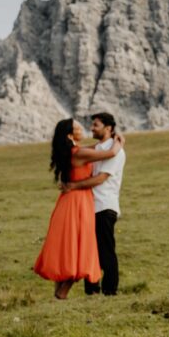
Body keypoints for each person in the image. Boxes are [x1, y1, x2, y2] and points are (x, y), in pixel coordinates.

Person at [33, 118, 124, 299]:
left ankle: (59, 294)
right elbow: (111, 153)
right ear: (70, 134)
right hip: (79, 201)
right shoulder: (79, 153)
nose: (82, 129)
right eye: (77, 128)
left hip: (68, 201)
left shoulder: (73, 152)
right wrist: (118, 140)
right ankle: (63, 292)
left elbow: (96, 147)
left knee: (68, 245)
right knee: (80, 246)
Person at [62, 112, 126, 296]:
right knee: (90, 251)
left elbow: (101, 178)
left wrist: (74, 185)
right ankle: (91, 290)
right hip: (91, 206)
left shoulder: (117, 151)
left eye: (96, 125)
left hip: (105, 205)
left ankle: (110, 290)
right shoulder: (99, 148)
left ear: (108, 128)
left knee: (106, 251)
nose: (91, 128)